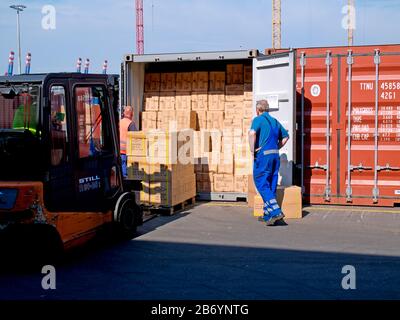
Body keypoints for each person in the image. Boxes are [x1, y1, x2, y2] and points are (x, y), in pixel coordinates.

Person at [249, 100, 289, 226]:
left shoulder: (258, 119)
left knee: (261, 182)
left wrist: (252, 150)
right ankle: (268, 214)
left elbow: (252, 133)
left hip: (263, 156)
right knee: (271, 183)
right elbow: (286, 137)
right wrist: (276, 147)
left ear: (258, 110)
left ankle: (276, 212)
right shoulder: (275, 121)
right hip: (274, 156)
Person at [120, 106, 137, 178]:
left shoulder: (120, 122)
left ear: (124, 113)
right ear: (132, 114)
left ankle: (122, 178)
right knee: (125, 168)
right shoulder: (131, 123)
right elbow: (136, 136)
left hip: (119, 148)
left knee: (121, 164)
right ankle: (125, 182)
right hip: (126, 150)